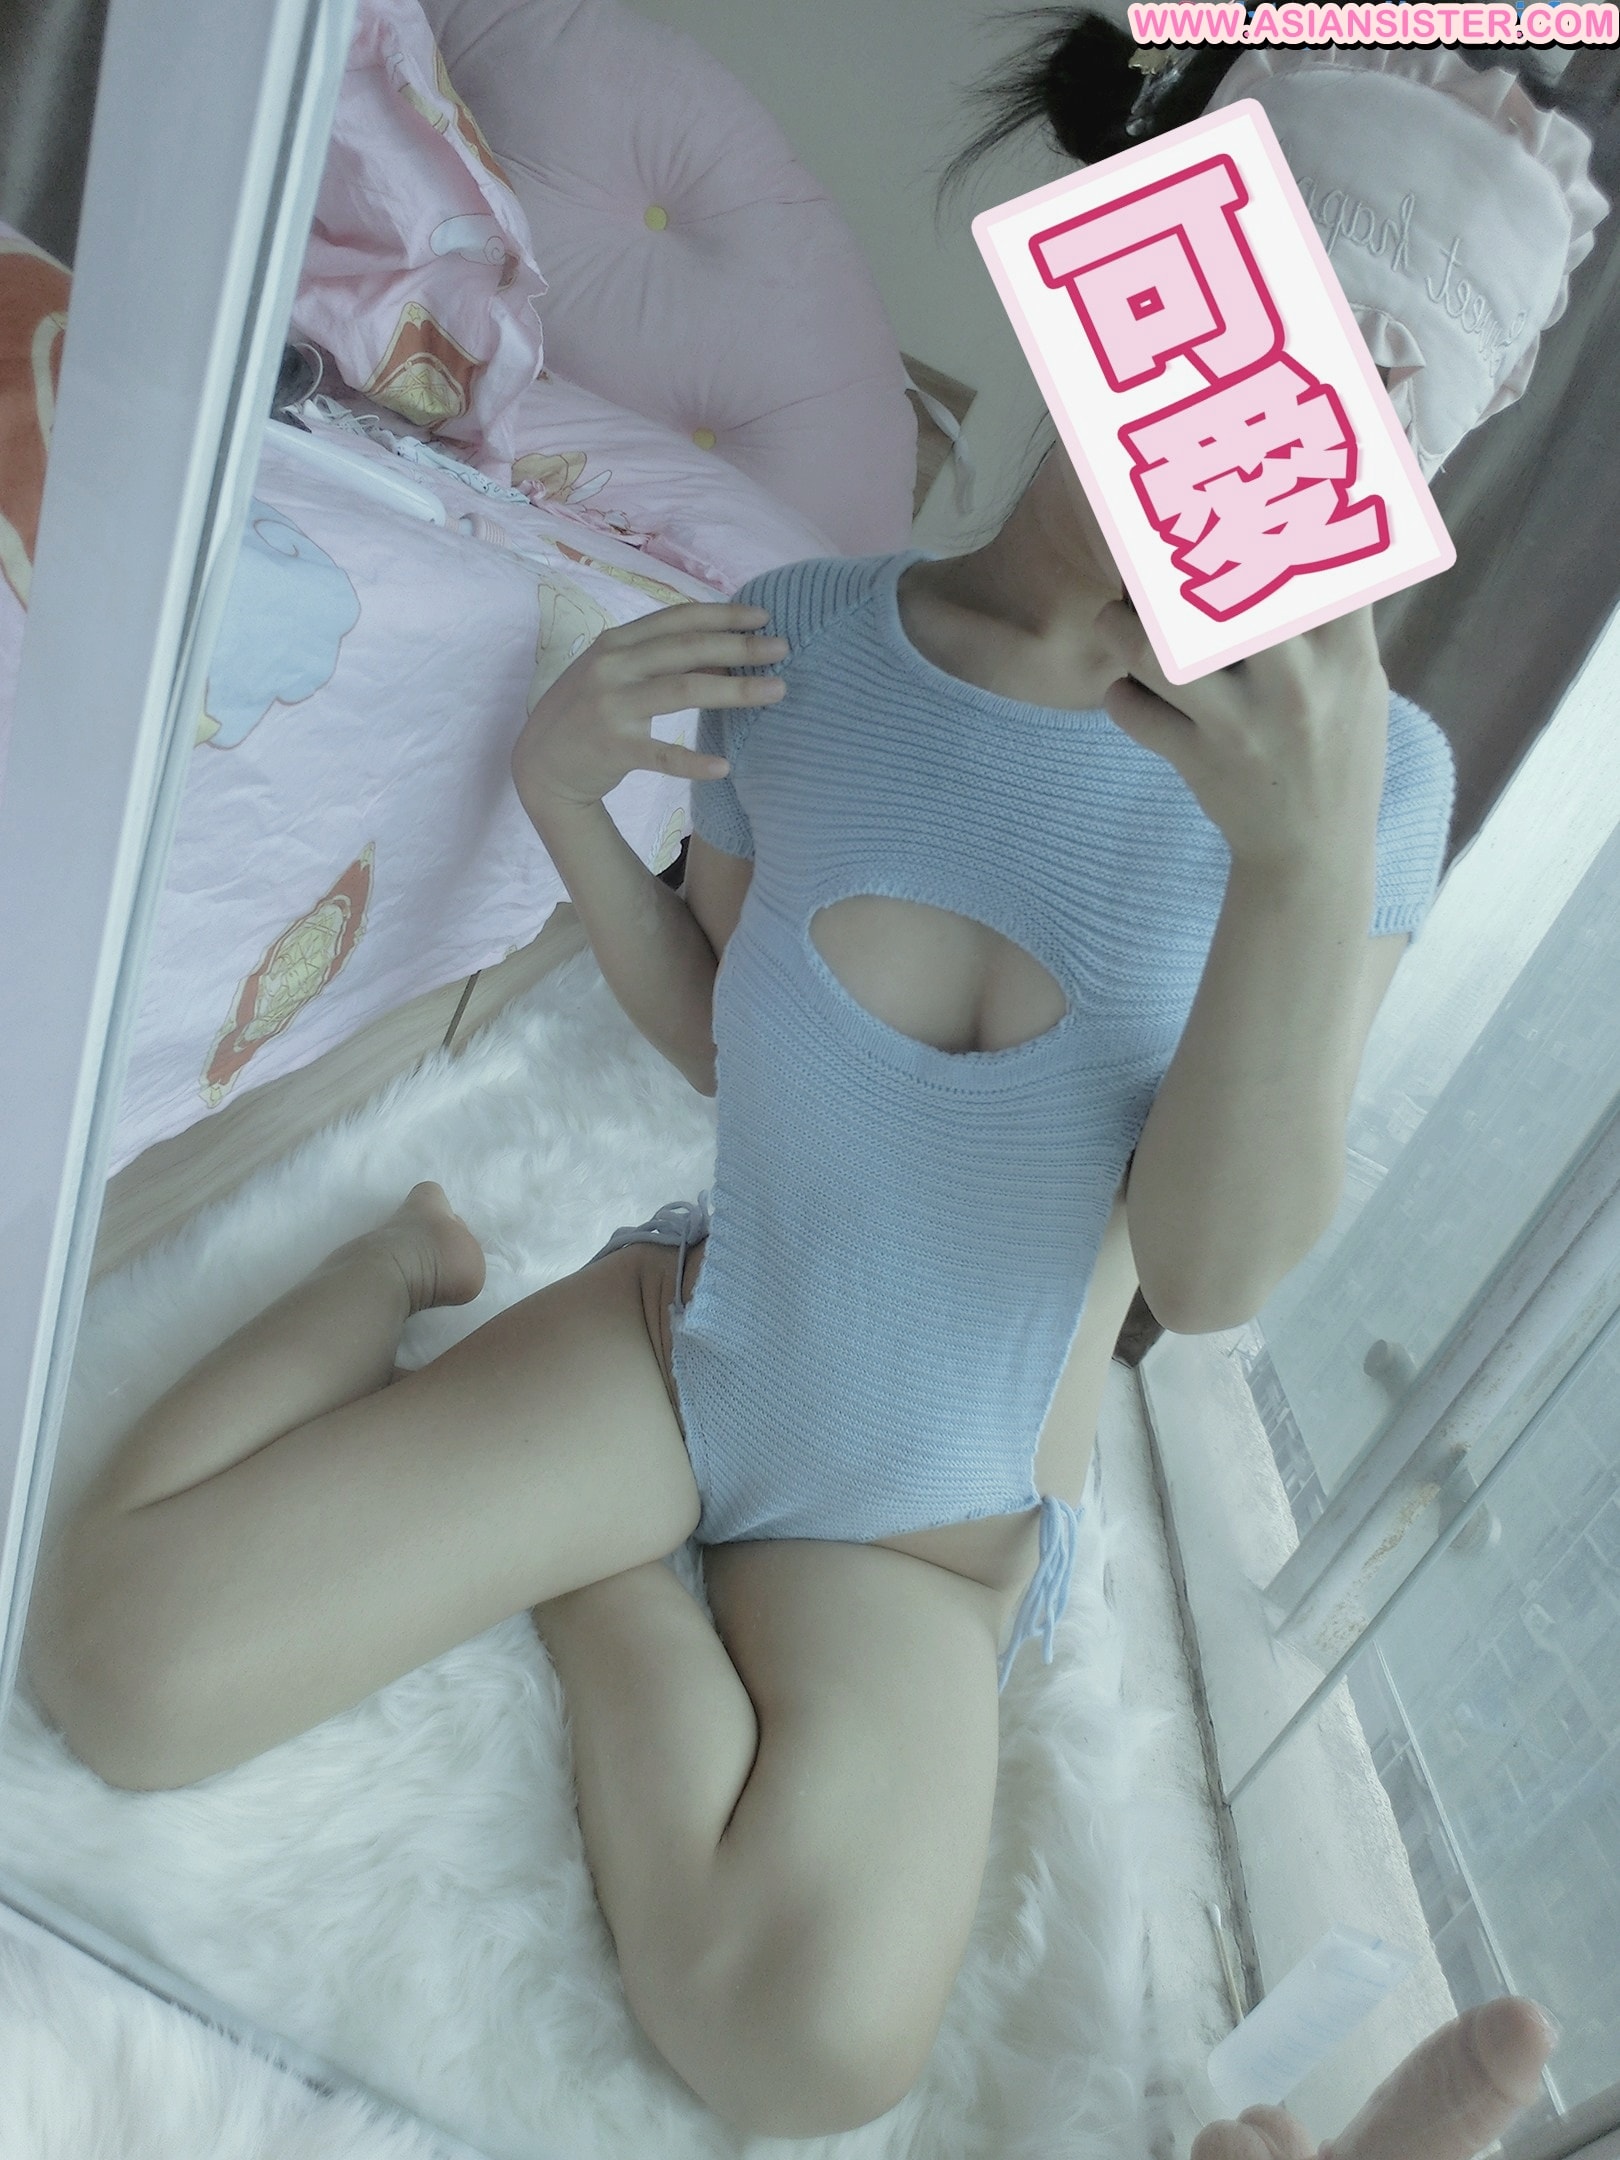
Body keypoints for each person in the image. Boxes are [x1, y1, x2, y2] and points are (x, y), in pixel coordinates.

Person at [25, 15, 1602, 2144]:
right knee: (119, 1672)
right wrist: (565, 798)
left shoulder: (1368, 786)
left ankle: (590, 1573)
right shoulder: (818, 635)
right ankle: (394, 1268)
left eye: (1357, 416)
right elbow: (728, 1039)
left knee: (810, 2046)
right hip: (693, 1347)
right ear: (1121, 287)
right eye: (1241, 343)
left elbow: (1209, 1276)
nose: (1237, 445)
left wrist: (1305, 871)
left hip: (927, 1532)